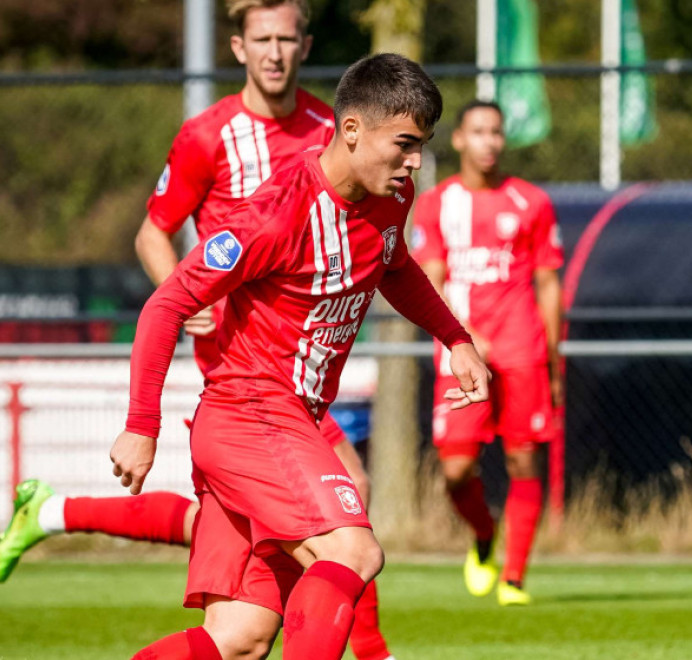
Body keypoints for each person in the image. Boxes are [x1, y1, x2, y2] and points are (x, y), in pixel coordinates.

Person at [0, 2, 397, 658]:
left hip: (296, 375)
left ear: (306, 45)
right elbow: (153, 233)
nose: (275, 52)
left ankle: (52, 512)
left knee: (238, 634)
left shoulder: (339, 131)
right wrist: (181, 297)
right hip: (247, 380)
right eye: (261, 39)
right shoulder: (208, 136)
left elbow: (374, 240)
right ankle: (373, 651)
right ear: (239, 48)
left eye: (287, 39)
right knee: (345, 512)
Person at [111, 52, 488, 659]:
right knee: (354, 551)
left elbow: (396, 266)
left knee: (240, 640)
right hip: (251, 414)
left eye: (423, 145)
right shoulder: (273, 214)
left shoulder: (392, 194)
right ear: (352, 130)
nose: (415, 160)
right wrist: (140, 427)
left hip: (282, 421)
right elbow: (166, 305)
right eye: (405, 143)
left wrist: (457, 338)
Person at [411, 99, 564, 607]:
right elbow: (428, 279)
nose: (489, 142)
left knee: (524, 461)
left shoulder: (532, 202)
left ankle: (514, 577)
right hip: (460, 352)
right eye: (478, 131)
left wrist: (553, 357)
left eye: (496, 132)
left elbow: (547, 283)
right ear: (457, 139)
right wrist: (464, 334)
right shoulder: (435, 204)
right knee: (455, 471)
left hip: (523, 350)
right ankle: (483, 535)